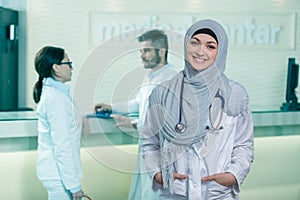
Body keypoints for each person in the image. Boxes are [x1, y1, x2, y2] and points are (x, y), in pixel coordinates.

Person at [142, 19, 254, 199]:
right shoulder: (162, 94)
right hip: (175, 193)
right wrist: (157, 173)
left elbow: (243, 145)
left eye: (210, 46)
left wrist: (232, 175)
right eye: (194, 43)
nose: (200, 51)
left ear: (221, 51)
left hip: (217, 194)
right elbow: (150, 143)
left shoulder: (235, 94)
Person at [94, 29, 177, 199]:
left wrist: (132, 124)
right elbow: (139, 103)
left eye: (146, 50)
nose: (142, 55)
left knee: (157, 194)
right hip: (148, 148)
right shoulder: (150, 77)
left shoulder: (171, 79)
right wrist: (112, 107)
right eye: (141, 51)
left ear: (161, 52)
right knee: (145, 192)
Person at [33, 46, 86, 200]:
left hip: (58, 175)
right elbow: (62, 145)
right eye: (68, 63)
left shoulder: (57, 94)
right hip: (59, 176)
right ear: (56, 67)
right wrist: (74, 185)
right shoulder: (55, 98)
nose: (72, 67)